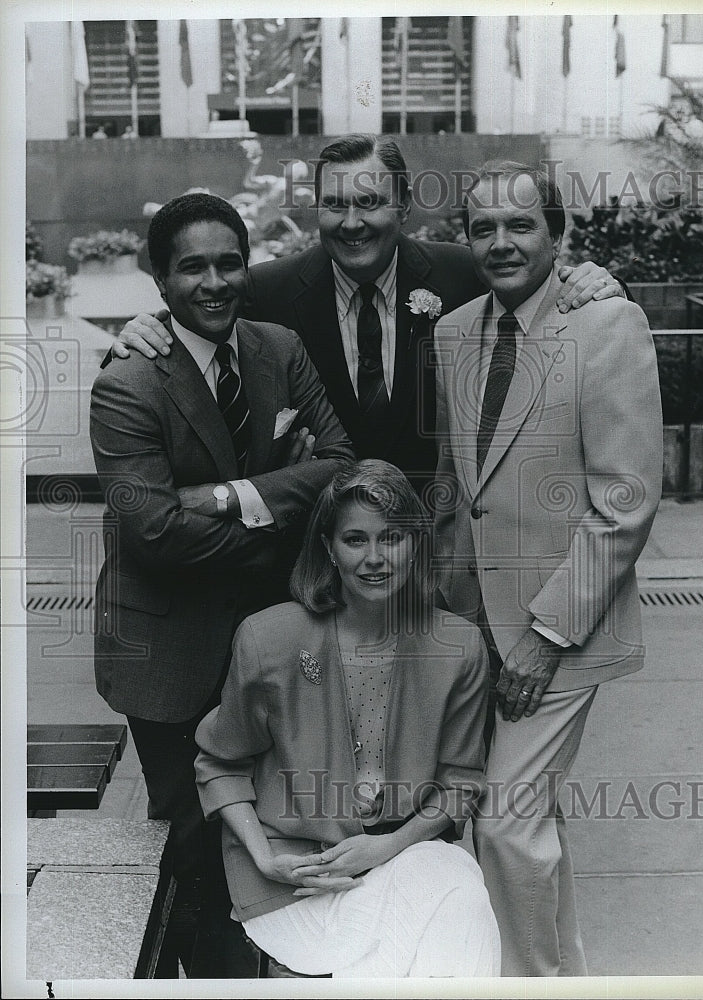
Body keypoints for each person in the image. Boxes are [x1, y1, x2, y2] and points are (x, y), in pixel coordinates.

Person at [90, 192, 353, 976]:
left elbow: (338, 463)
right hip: (171, 653)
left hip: (273, 644)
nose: (214, 282)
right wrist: (280, 507)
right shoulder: (129, 382)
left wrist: (230, 495)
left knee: (276, 833)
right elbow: (155, 535)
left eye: (229, 262)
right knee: (196, 850)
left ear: (248, 264)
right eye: (192, 267)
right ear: (160, 280)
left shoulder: (279, 347)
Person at [109, 134, 625, 498]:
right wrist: (137, 333)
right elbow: (199, 306)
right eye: (335, 205)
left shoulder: (465, 273)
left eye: (369, 203)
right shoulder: (268, 288)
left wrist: (601, 284)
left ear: (403, 207)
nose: (351, 223)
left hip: (436, 542)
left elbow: (539, 285)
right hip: (312, 545)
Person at [433, 161, 663, 977]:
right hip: (473, 622)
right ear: (465, 237)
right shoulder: (453, 330)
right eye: (483, 227)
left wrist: (543, 636)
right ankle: (565, 970)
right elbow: (461, 483)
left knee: (504, 821)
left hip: (562, 627)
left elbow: (625, 501)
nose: (500, 242)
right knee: (531, 819)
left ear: (557, 236)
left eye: (521, 225)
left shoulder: (606, 324)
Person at [194, 459, 500, 978]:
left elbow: (459, 784)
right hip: (295, 875)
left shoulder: (458, 646)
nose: (375, 558)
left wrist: (386, 846)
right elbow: (222, 764)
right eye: (355, 540)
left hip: (403, 851)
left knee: (463, 905)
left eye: (393, 538)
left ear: (416, 546)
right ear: (329, 550)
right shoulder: (269, 638)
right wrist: (264, 856)